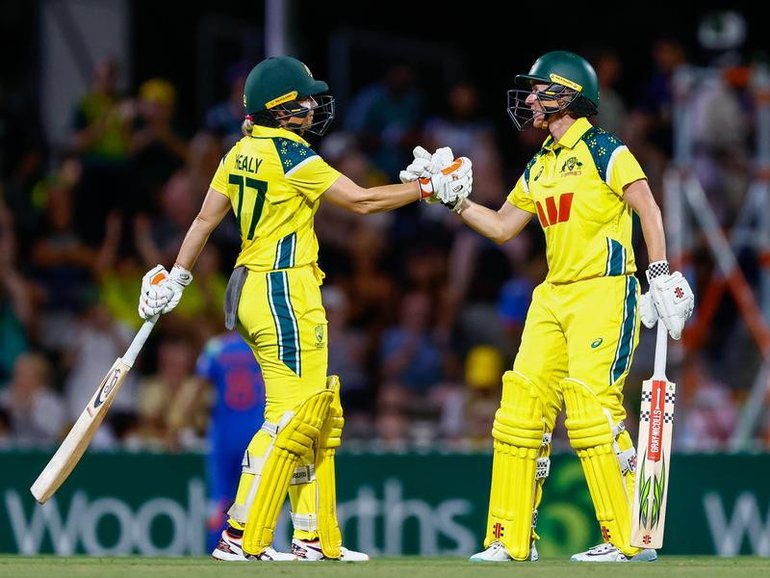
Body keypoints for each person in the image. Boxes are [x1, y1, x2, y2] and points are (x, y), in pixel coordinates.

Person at [135, 55, 472, 562]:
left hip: (250, 287)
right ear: (279, 108)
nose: (312, 106)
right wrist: (426, 189)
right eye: (302, 100)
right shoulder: (291, 155)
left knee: (312, 413)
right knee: (293, 418)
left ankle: (312, 537)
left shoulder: (239, 150)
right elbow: (360, 202)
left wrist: (176, 275)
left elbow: (205, 220)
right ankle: (239, 534)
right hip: (281, 291)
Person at [401, 51, 694, 563]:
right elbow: (501, 228)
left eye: (538, 90)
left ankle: (627, 540)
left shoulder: (606, 149)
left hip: (605, 291)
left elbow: (646, 204)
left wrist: (660, 272)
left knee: (591, 409)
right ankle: (509, 540)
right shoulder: (540, 162)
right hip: (552, 295)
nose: (530, 99)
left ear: (565, 95)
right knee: (519, 411)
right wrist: (454, 202)